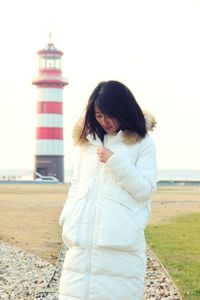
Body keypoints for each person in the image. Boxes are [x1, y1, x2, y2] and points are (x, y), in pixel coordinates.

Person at [59, 80, 157, 300]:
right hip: (81, 248)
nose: (105, 121)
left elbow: (145, 191)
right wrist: (67, 220)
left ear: (123, 109)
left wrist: (115, 162)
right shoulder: (85, 143)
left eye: (109, 114)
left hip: (120, 248)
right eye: (99, 114)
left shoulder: (142, 142)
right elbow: (76, 186)